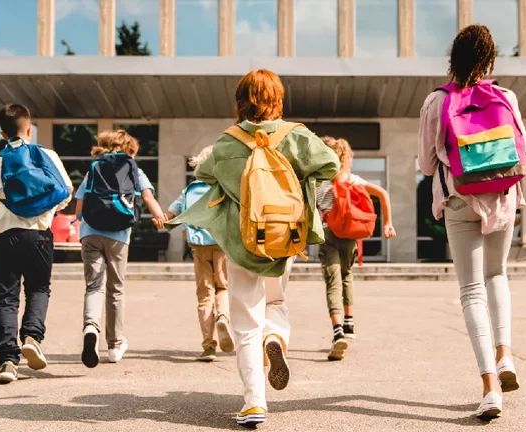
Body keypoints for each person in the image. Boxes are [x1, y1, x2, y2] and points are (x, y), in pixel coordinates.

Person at [165, 69, 339, 428]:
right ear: (278, 99)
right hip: (285, 237)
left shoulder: (227, 143)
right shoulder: (297, 136)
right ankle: (275, 337)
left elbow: (204, 176)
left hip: (243, 240)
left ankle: (254, 402)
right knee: (275, 301)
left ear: (241, 100)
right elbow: (331, 165)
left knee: (245, 321)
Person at [418, 25, 526, 420]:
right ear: (489, 60)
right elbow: (524, 149)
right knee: (497, 276)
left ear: (454, 58)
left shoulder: (436, 101)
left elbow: (426, 164)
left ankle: (489, 387)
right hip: (501, 197)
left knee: (471, 291)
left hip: (460, 199)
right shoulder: (505, 95)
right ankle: (505, 356)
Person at [0, 104, 73, 384]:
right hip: (39, 235)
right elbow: (65, 192)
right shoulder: (47, 155)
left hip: (2, 236)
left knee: (5, 299)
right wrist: (43, 210)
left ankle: (7, 362)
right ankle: (32, 337)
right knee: (39, 288)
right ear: (30, 128)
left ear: (2, 132)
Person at [76, 130, 167, 368]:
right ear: (130, 151)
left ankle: (90, 327)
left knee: (94, 286)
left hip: (90, 233)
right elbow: (148, 198)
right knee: (115, 289)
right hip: (118, 236)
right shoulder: (135, 170)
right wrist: (160, 218)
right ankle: (115, 346)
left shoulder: (94, 168)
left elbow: (79, 208)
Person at [315, 136, 396, 361]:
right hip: (349, 235)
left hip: (328, 234)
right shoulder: (352, 179)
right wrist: (387, 223)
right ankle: (349, 324)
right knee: (347, 275)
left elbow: (311, 210)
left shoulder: (319, 182)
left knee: (333, 281)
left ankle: (337, 330)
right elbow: (383, 194)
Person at [160, 145, 234, 362]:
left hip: (199, 247)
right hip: (222, 245)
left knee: (204, 295)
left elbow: (170, 215)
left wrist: (161, 219)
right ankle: (223, 316)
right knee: (223, 288)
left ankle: (208, 346)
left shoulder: (189, 190)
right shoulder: (224, 188)